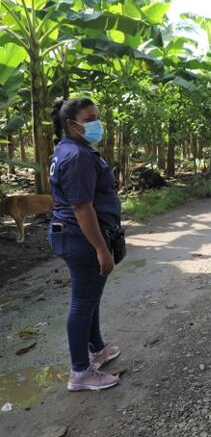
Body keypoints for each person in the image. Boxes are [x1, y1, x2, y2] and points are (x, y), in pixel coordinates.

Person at [49, 98, 122, 392]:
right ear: (72, 124)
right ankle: (80, 372)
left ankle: (97, 349)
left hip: (74, 235)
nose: (97, 123)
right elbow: (82, 208)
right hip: (80, 238)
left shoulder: (70, 149)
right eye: (90, 118)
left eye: (98, 117)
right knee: (82, 303)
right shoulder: (77, 156)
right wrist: (101, 249)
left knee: (89, 298)